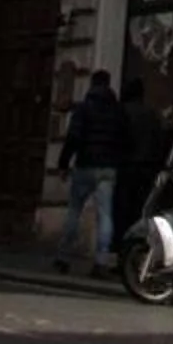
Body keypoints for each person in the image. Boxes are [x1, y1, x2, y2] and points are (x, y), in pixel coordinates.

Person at [53, 67, 129, 274]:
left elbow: (73, 138)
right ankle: (101, 260)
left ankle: (63, 256)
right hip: (108, 168)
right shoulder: (117, 111)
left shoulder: (83, 109)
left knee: (74, 211)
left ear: (92, 84)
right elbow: (124, 139)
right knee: (105, 215)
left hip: (85, 165)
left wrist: (63, 164)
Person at [113, 77, 168, 242]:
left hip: (125, 167)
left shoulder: (121, 112)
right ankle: (137, 241)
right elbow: (159, 142)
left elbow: (117, 139)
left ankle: (121, 241)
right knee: (141, 207)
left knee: (122, 208)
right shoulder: (151, 114)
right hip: (147, 168)